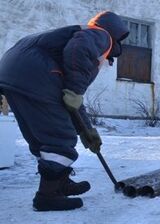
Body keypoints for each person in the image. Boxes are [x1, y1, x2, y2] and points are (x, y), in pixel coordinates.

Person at [0, 11, 129, 211]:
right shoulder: (101, 35)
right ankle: (48, 196)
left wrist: (88, 132)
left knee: (43, 138)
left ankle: (59, 182)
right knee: (60, 138)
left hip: (12, 75)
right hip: (36, 75)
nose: (105, 62)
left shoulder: (71, 35)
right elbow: (78, 52)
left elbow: (71, 102)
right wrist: (75, 90)